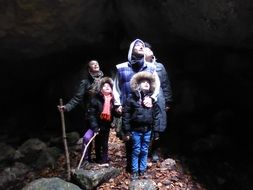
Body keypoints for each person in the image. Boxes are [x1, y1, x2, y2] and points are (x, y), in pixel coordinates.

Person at [113, 39, 160, 172]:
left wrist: (152, 97)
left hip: (144, 107)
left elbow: (157, 85)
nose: (141, 46)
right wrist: (117, 103)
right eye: (137, 45)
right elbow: (116, 86)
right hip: (127, 107)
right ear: (131, 49)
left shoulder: (151, 67)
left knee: (143, 141)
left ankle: (140, 167)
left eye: (142, 45)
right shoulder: (122, 68)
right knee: (129, 137)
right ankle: (132, 167)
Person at [58, 60, 104, 163]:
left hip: (103, 114)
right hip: (90, 114)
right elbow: (77, 98)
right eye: (93, 64)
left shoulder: (104, 81)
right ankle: (86, 159)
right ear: (89, 69)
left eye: (97, 63)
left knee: (100, 138)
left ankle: (99, 158)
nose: (96, 64)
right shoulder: (85, 82)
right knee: (88, 137)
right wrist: (66, 107)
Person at [122, 71, 160, 181]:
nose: (146, 83)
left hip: (147, 130)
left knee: (144, 150)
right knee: (136, 150)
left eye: (148, 82)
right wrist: (127, 131)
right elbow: (126, 115)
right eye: (143, 82)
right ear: (137, 84)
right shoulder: (132, 98)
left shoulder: (152, 100)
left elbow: (156, 116)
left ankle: (142, 170)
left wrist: (156, 131)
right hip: (135, 130)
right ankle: (134, 171)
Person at [144, 42, 173, 162]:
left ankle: (154, 150)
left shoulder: (159, 66)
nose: (146, 51)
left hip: (159, 97)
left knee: (159, 124)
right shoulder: (140, 66)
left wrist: (168, 101)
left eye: (148, 49)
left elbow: (165, 83)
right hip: (145, 96)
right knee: (145, 122)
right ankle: (143, 151)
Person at [88, 77, 117, 164]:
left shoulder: (113, 100)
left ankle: (104, 159)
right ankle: (98, 158)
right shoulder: (95, 99)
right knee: (97, 142)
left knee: (105, 143)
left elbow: (115, 113)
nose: (107, 87)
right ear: (100, 88)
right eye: (104, 86)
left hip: (106, 124)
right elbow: (92, 114)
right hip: (97, 123)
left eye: (109, 86)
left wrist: (118, 111)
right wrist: (95, 127)